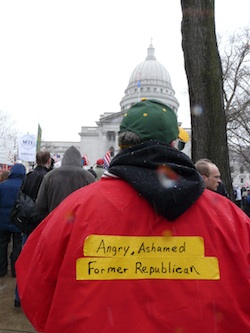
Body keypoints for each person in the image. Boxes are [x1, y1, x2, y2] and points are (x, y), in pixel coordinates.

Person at [16, 99, 250, 333]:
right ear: (173, 144)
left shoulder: (74, 210)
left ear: (123, 144)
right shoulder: (230, 218)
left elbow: (34, 289)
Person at [36, 145, 95, 216]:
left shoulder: (49, 176)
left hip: (55, 221)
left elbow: (40, 205)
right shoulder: (89, 178)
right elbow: (93, 205)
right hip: (79, 223)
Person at [0, 163, 26, 307]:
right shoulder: (23, 185)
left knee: (2, 245)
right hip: (17, 221)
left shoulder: (3, 185)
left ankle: (1, 269)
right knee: (17, 247)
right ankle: (15, 271)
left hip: (2, 222)